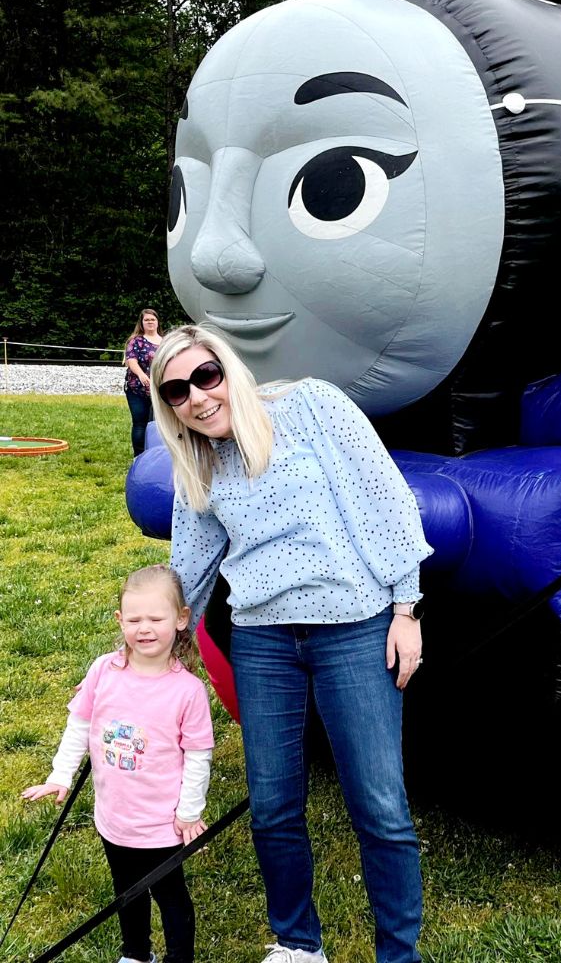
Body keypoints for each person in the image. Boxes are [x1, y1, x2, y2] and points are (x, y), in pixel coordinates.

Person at [151, 323, 431, 963]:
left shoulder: (310, 406)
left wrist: (406, 607)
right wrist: (163, 642)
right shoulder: (197, 462)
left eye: (206, 375)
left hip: (353, 627)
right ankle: (299, 943)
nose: (197, 397)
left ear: (229, 370)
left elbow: (384, 499)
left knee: (380, 805)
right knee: (273, 806)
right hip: (261, 639)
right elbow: (189, 563)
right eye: (176, 390)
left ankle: (399, 954)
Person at [22, 565, 214, 963]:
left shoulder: (188, 691)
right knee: (126, 890)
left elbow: (198, 754)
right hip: (114, 817)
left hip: (161, 824)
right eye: (134, 619)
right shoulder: (103, 671)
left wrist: (189, 811)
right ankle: (136, 953)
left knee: (171, 896)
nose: (145, 628)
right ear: (119, 620)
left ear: (181, 619)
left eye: (156, 618)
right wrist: (60, 776)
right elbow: (80, 724)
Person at [125, 309, 164, 456]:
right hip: (137, 390)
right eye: (146, 320)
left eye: (152, 319)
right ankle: (139, 457)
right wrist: (141, 375)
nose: (150, 322)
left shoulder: (165, 341)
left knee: (157, 425)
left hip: (159, 390)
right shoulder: (136, 341)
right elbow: (131, 360)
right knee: (140, 424)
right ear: (141, 323)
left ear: (157, 322)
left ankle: (155, 454)